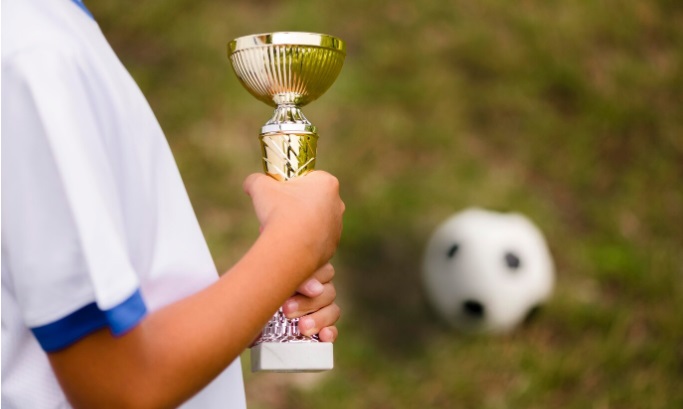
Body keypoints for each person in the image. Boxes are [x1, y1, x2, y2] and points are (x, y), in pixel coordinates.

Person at [1, 0, 345, 408]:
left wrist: (249, 302)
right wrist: (296, 241)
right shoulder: (31, 51)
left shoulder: (46, 34)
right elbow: (121, 385)